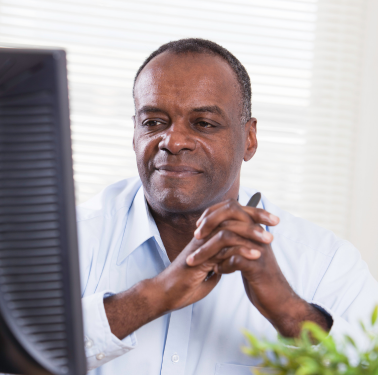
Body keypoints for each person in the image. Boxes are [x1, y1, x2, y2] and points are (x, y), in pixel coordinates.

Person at [78, 38, 378, 375]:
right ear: (134, 134)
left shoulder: (327, 264)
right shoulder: (68, 240)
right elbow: (13, 356)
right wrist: (152, 296)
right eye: (153, 122)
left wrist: (289, 311)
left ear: (249, 138)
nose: (173, 141)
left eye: (204, 123)